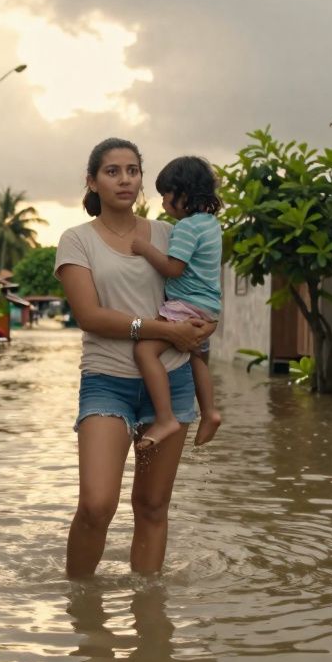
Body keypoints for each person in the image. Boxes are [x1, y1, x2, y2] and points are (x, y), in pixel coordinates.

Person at [54, 138, 216, 578]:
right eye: (112, 171)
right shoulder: (76, 241)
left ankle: (148, 608)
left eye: (132, 170)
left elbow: (200, 291)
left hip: (173, 380)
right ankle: (79, 603)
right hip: (107, 382)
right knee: (96, 504)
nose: (124, 179)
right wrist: (165, 330)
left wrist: (204, 327)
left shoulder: (169, 233)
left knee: (152, 506)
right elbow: (90, 316)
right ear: (92, 181)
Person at [129, 156, 223, 451]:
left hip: (186, 306)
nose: (163, 202)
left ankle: (165, 417)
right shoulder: (211, 224)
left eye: (166, 194)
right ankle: (210, 412)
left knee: (144, 351)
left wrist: (144, 248)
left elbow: (173, 268)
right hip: (208, 307)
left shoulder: (187, 228)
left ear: (184, 193)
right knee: (195, 358)